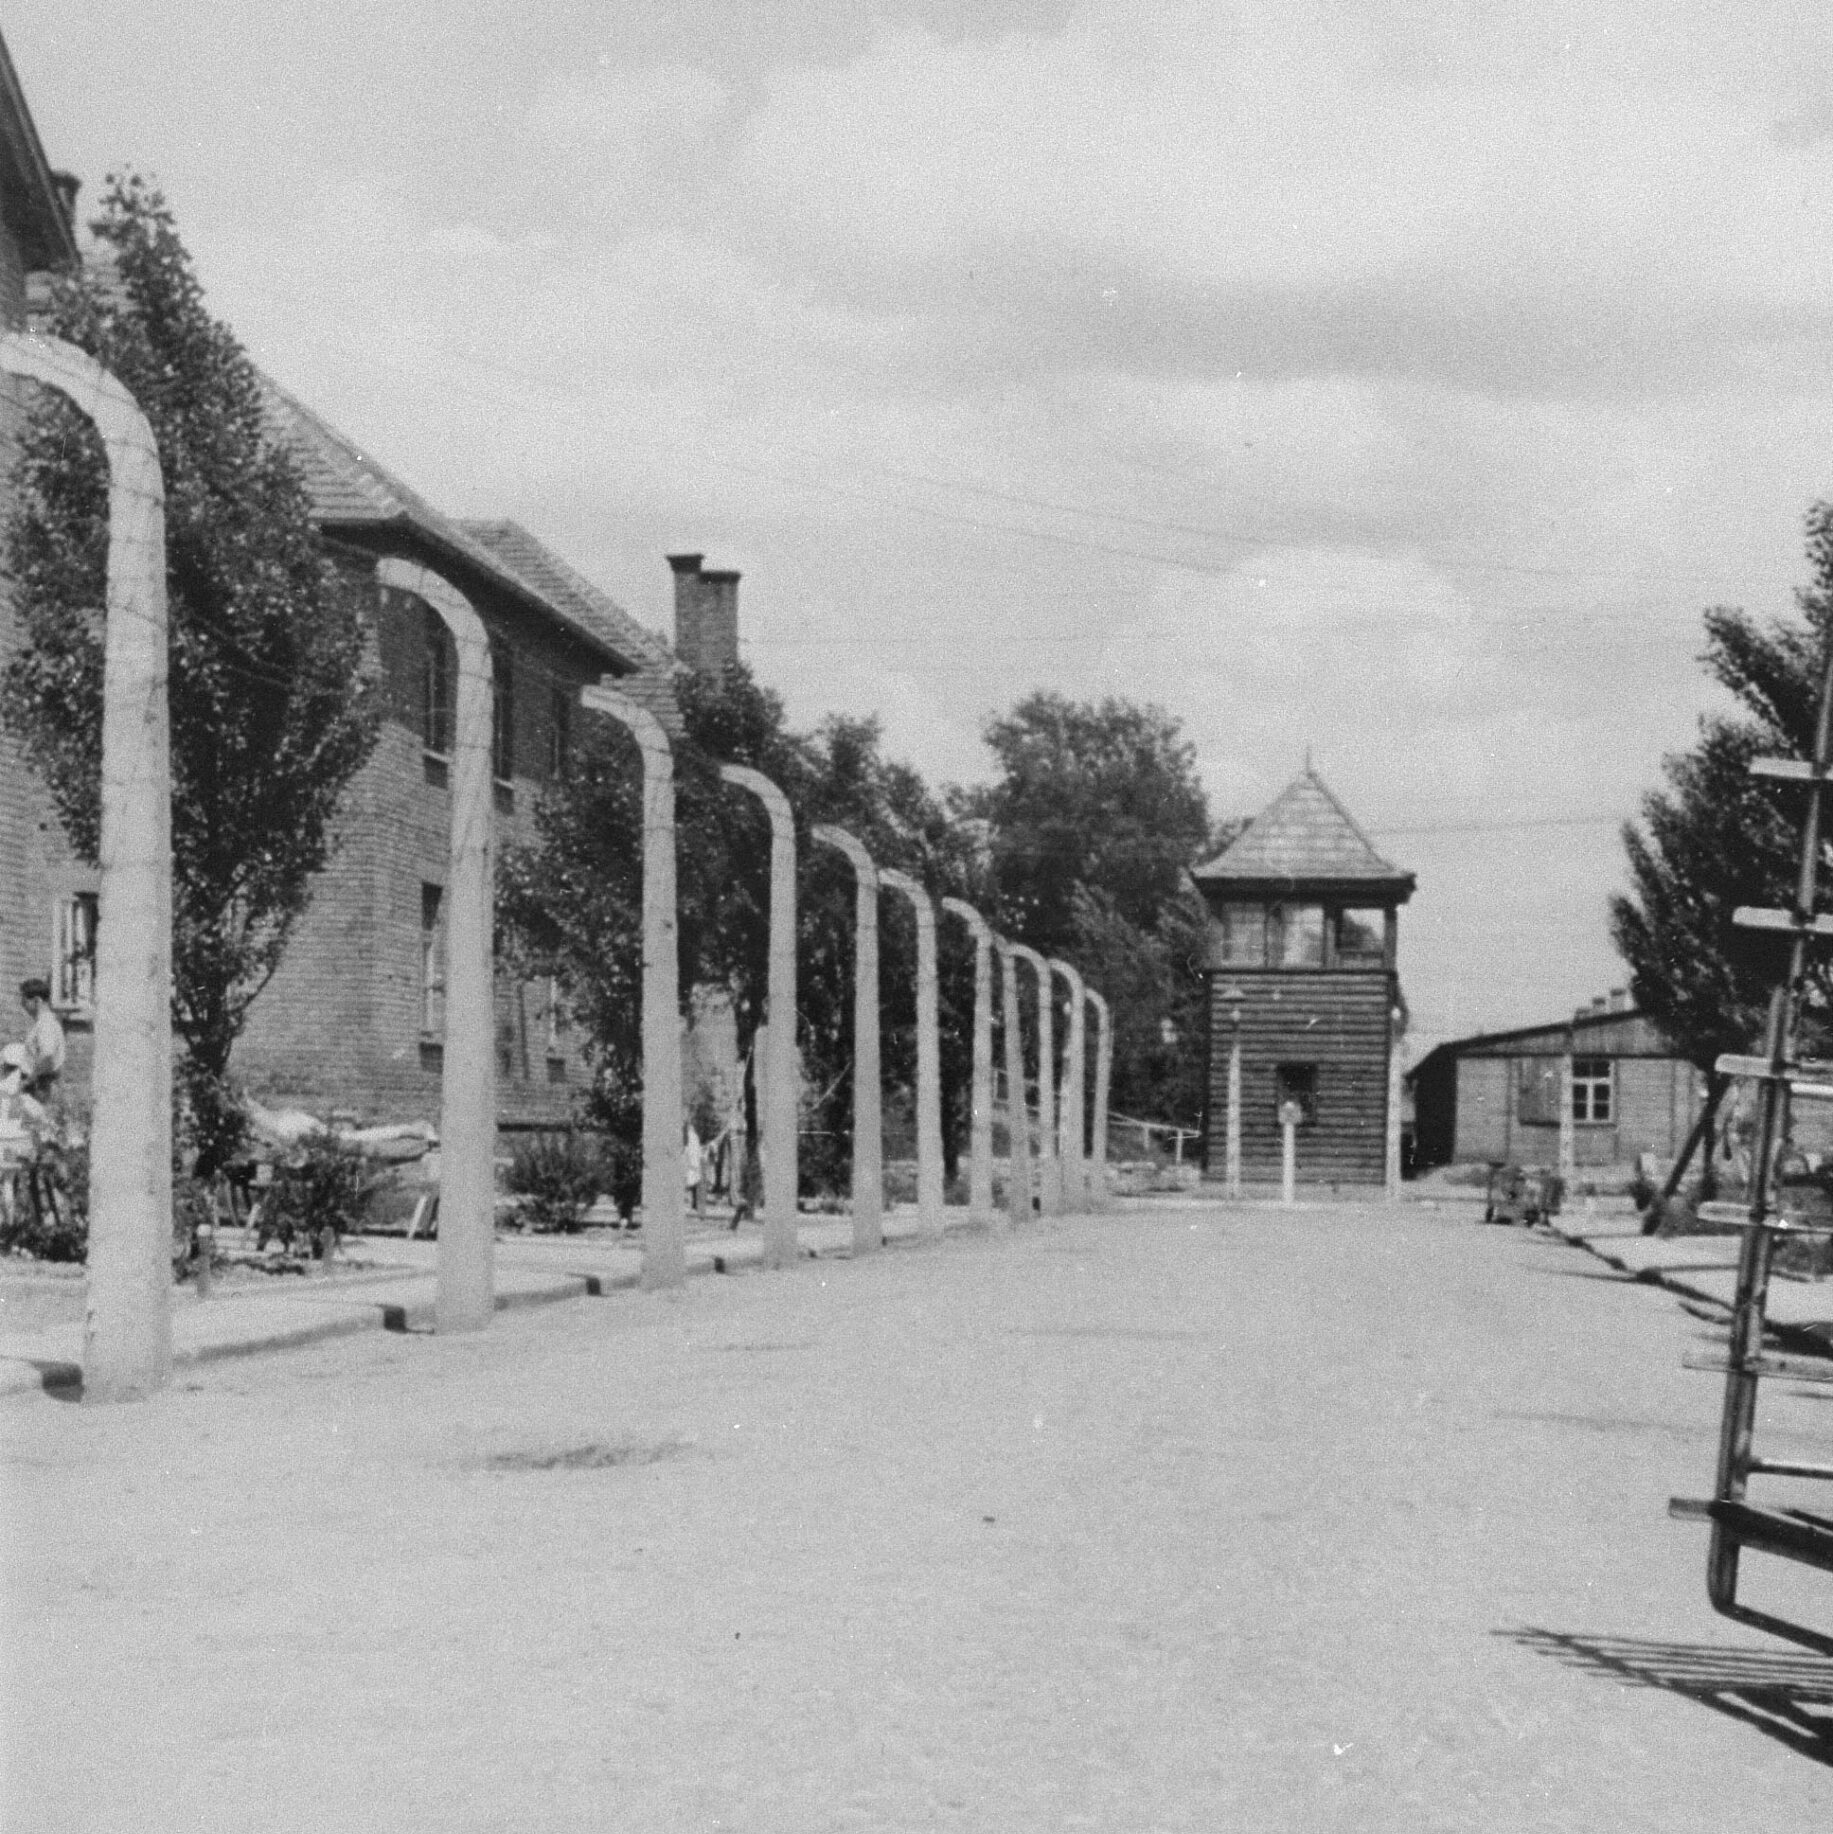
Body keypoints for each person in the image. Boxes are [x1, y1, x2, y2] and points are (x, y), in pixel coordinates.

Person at [16, 979, 64, 1102]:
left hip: (40, 1088)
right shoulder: (43, 1023)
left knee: (37, 1120)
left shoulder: (46, 1024)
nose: (22, 1005)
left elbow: (47, 1055)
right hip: (39, 1085)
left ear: (37, 1000)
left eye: (24, 1000)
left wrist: (29, 1080)